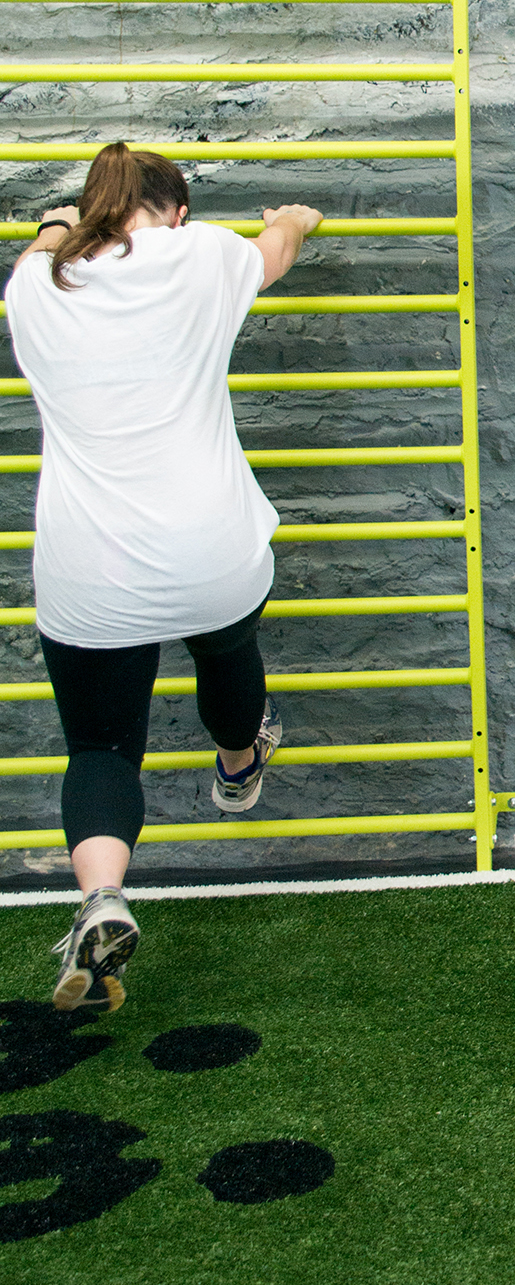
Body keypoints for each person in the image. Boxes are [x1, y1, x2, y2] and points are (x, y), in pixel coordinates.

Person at [4, 143, 322, 1012]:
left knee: (102, 748)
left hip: (91, 565)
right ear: (174, 212)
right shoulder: (203, 253)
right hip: (210, 546)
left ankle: (103, 894)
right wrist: (290, 220)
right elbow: (275, 254)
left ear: (90, 210)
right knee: (227, 647)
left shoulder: (35, 286)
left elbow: (45, 249)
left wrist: (56, 226)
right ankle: (237, 764)